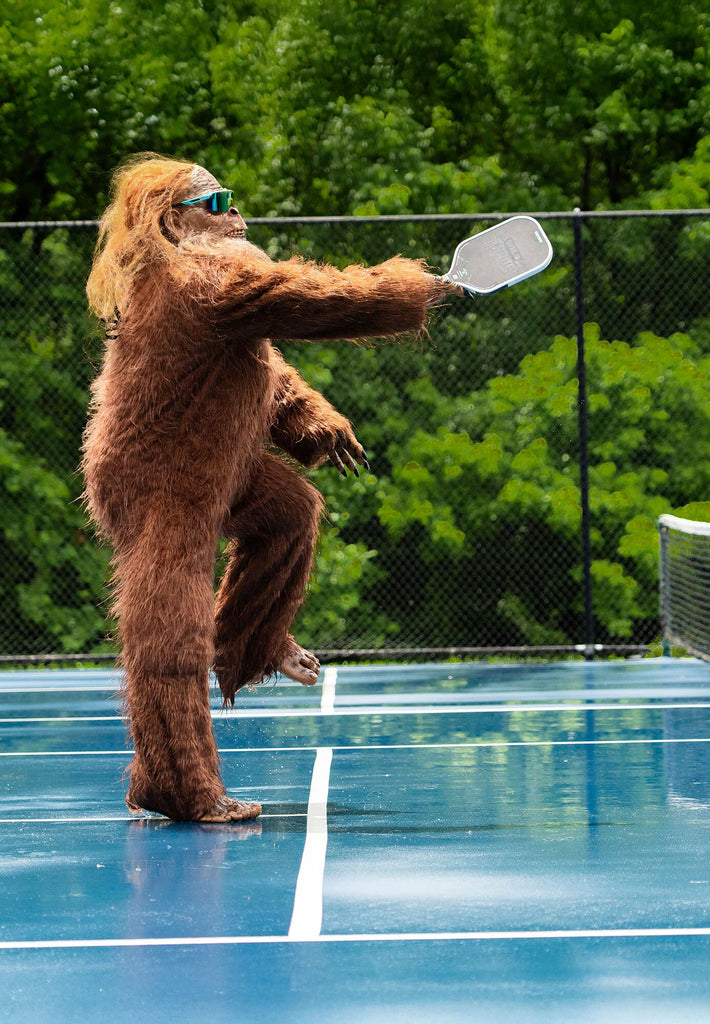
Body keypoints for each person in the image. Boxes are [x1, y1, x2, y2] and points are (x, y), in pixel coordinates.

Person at [82, 155, 457, 821]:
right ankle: (176, 784)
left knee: (287, 512)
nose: (235, 212)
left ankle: (242, 644)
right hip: (159, 478)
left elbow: (262, 366)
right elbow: (315, 301)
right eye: (216, 200)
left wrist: (308, 419)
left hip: (214, 461)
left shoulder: (208, 286)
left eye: (233, 197)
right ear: (175, 220)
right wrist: (418, 289)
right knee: (168, 637)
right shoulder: (196, 276)